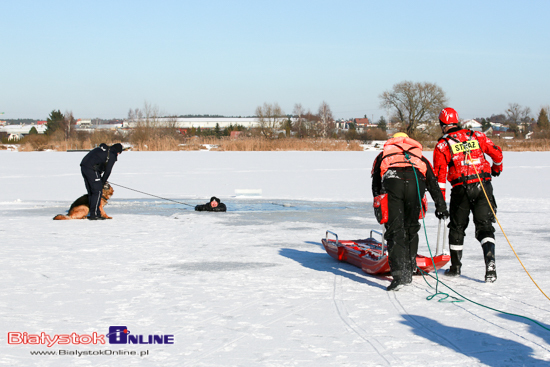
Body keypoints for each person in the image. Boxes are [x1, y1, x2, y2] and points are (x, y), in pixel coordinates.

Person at [433, 107, 503, 282]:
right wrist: (496, 168)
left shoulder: (443, 145)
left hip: (461, 189)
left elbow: (439, 178)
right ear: (457, 122)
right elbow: (497, 154)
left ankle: (455, 267)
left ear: (443, 125)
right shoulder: (477, 136)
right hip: (483, 186)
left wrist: (440, 203)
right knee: (485, 226)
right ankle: (490, 265)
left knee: (457, 227)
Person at [372, 132, 449, 291]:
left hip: (393, 182)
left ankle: (400, 275)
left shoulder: (384, 154)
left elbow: (376, 183)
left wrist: (379, 201)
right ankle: (410, 265)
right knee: (411, 228)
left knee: (395, 230)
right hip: (416, 184)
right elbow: (433, 183)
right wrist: (441, 206)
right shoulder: (419, 156)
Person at [80, 143, 124, 220]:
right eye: (119, 153)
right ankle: (95, 214)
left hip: (84, 167)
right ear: (117, 151)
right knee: (97, 192)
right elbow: (108, 171)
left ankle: (93, 213)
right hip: (92, 169)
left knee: (91, 191)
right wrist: (102, 182)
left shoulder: (103, 150)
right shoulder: (112, 155)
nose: (118, 154)